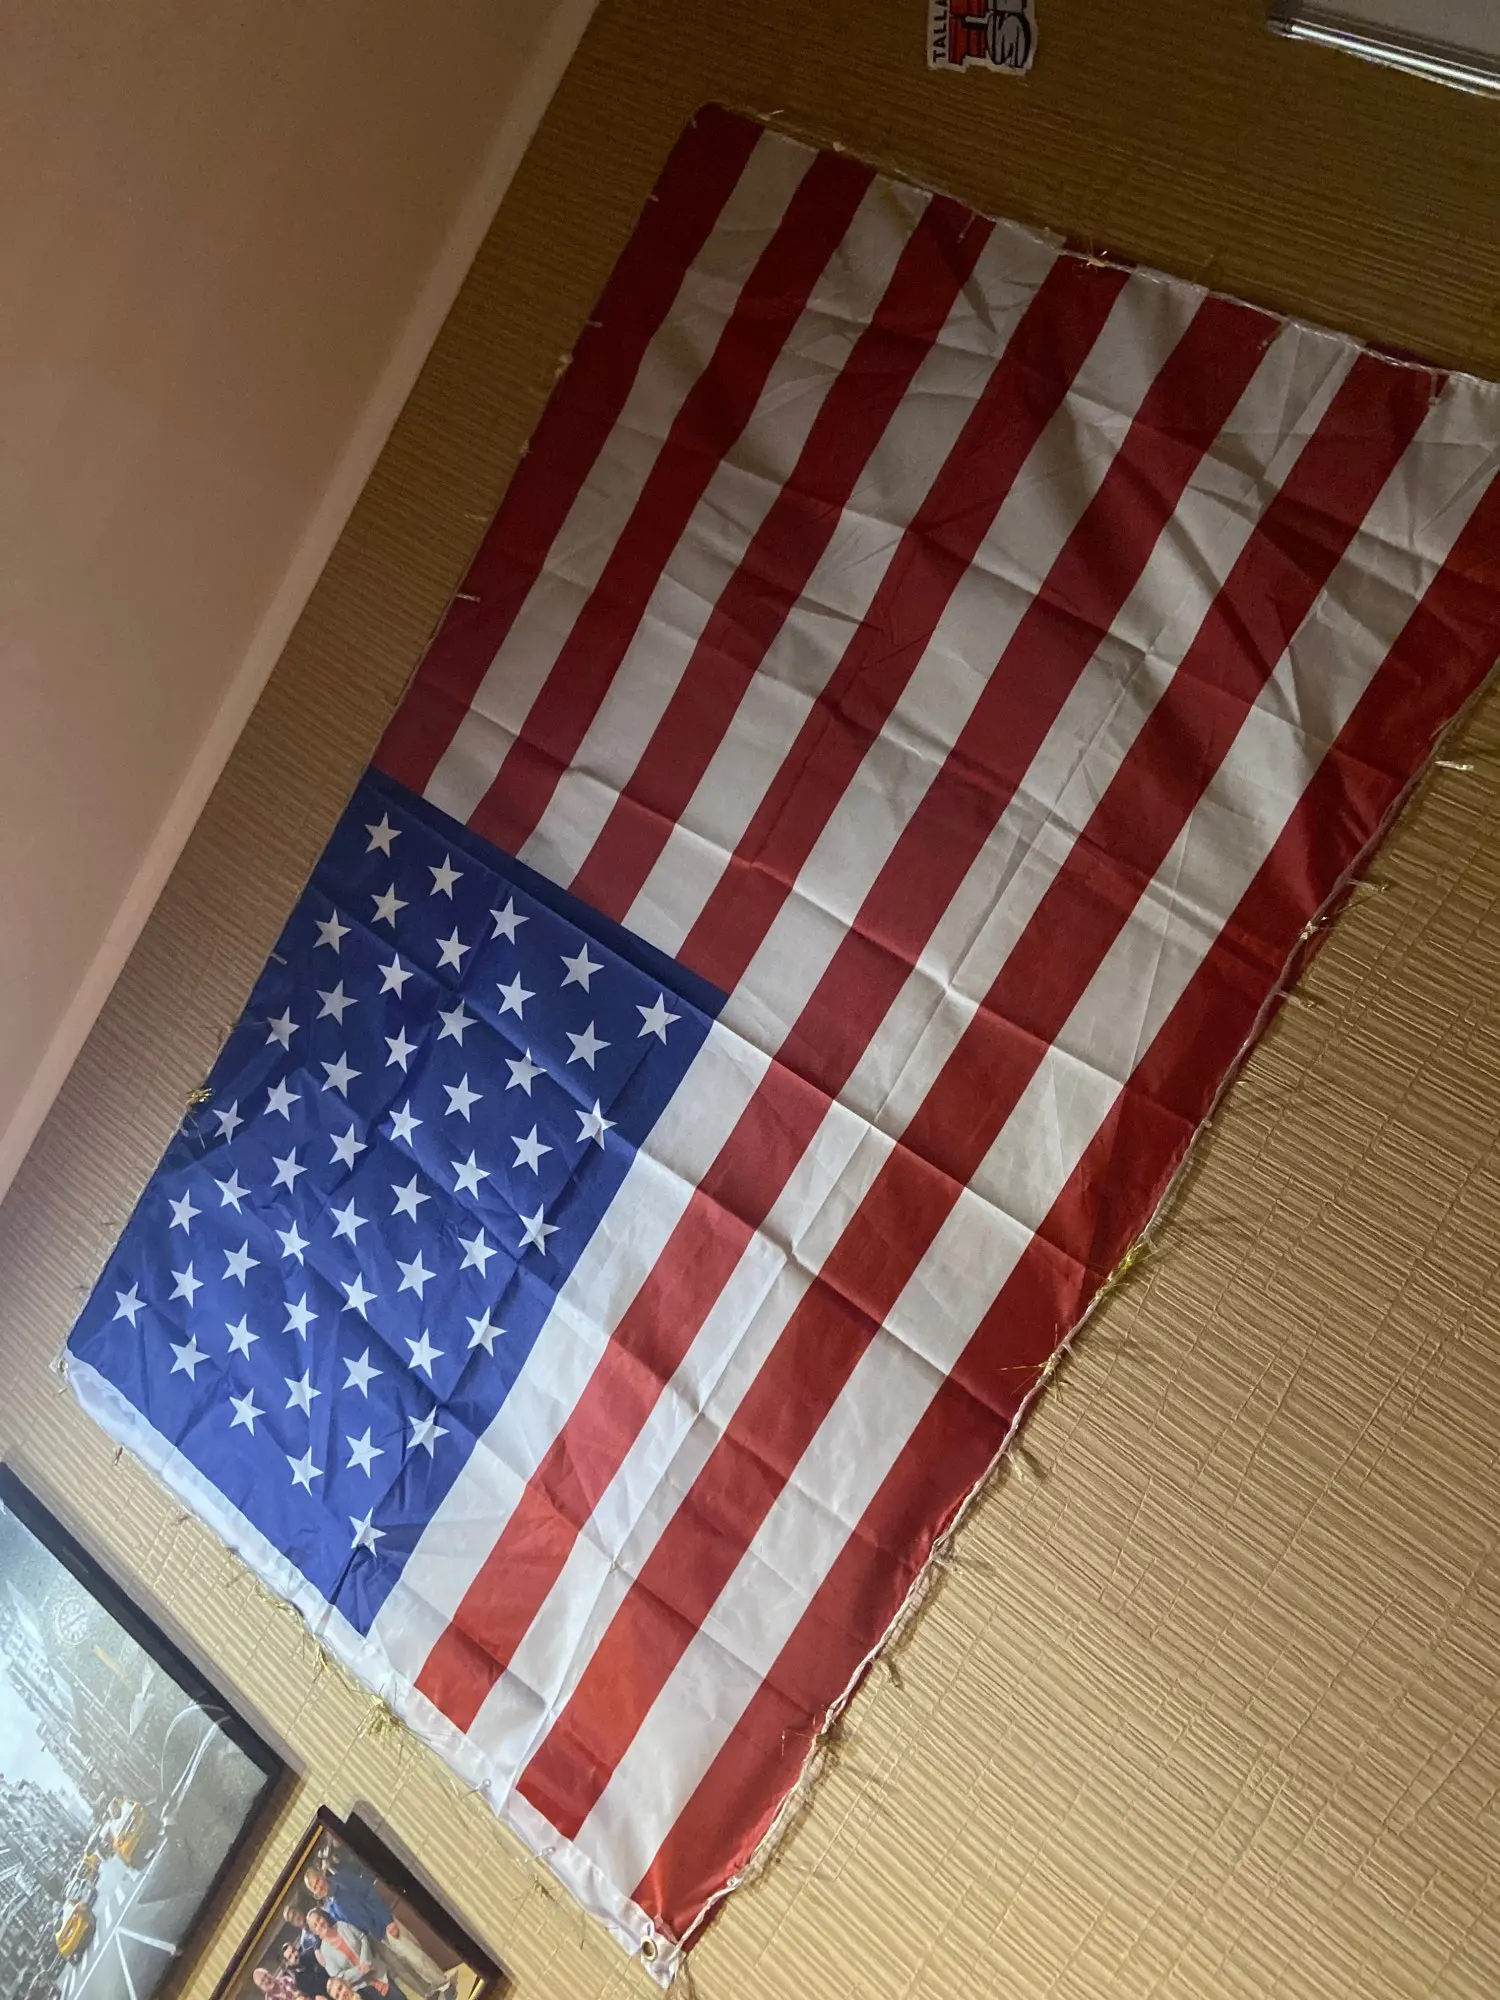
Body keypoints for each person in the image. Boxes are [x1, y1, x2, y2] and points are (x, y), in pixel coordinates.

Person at [303, 1857, 450, 1998]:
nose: (319, 1887)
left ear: (321, 1875)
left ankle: (445, 1985)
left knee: (415, 1956)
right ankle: (429, 1994)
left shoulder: (343, 1879)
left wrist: (387, 1920)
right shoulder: (330, 1907)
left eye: (318, 1881)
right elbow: (343, 1929)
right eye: (315, 1887)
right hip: (374, 1942)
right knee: (401, 1970)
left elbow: (369, 1892)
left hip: (384, 1926)